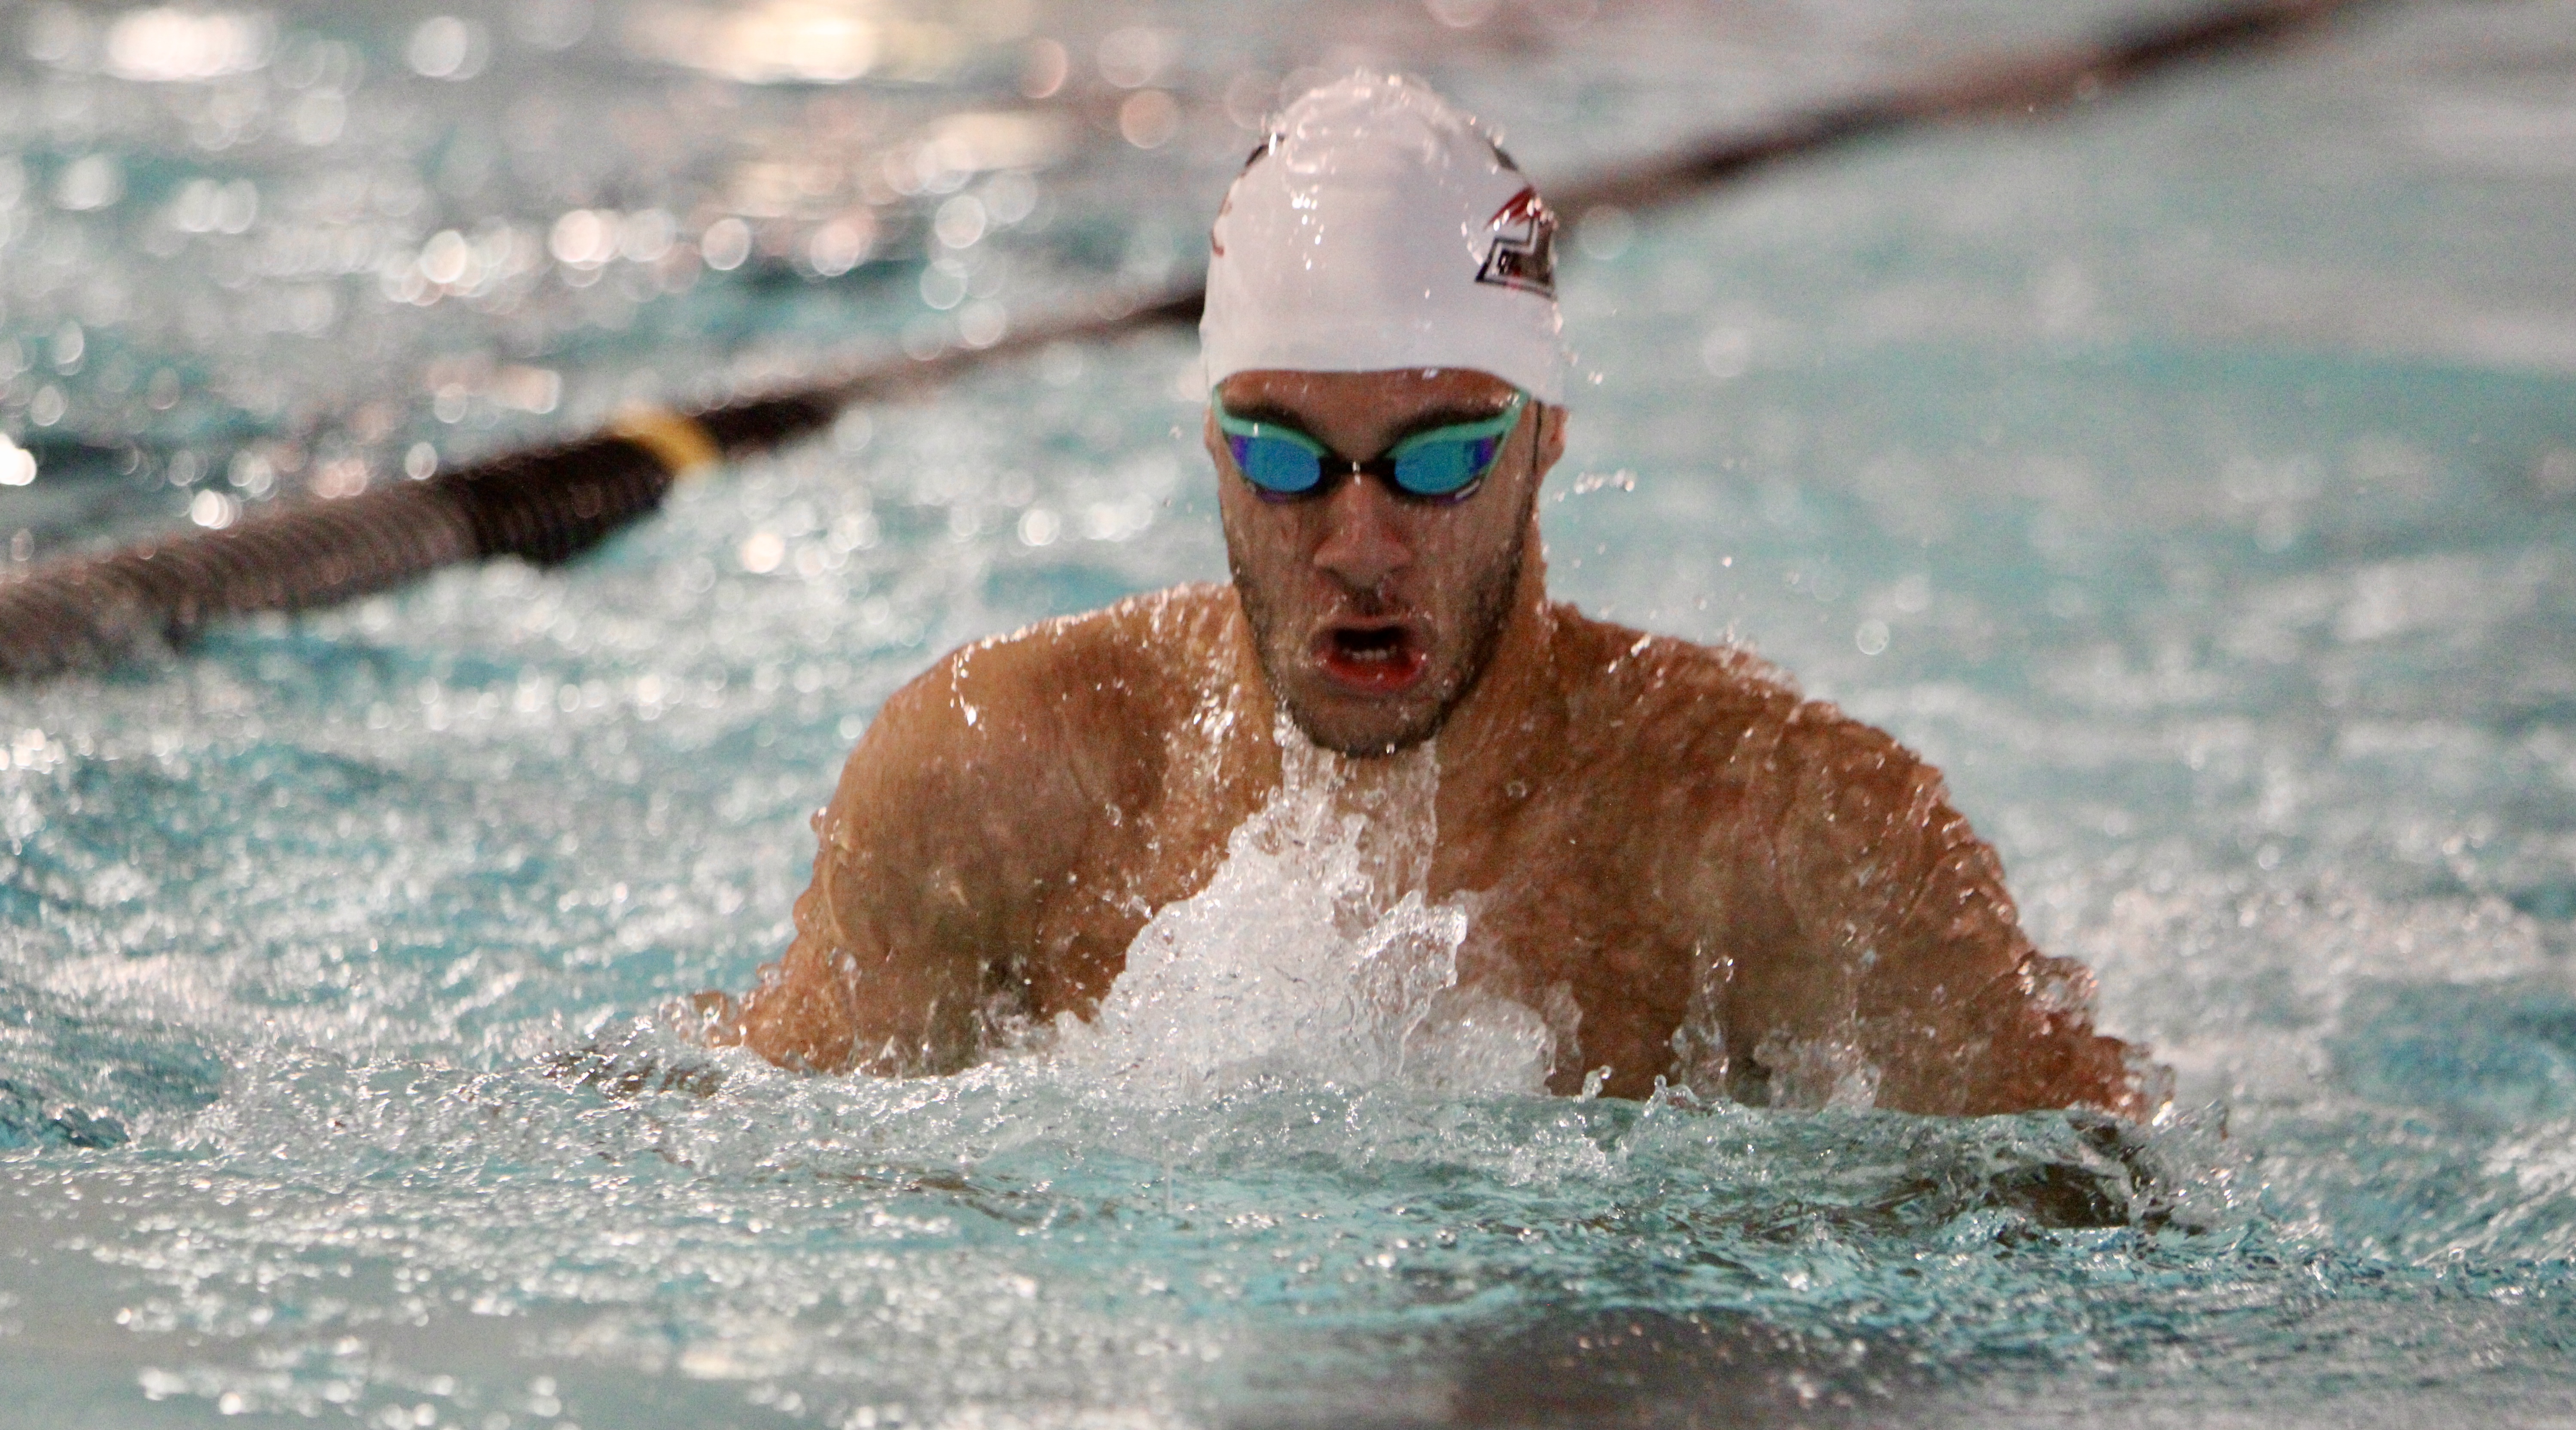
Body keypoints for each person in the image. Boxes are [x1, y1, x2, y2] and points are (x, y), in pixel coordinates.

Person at [707, 72, 2156, 1117]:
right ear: (1212, 443)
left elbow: (2092, 1224)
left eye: (1441, 456)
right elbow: (757, 1163)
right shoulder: (996, 780)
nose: (1357, 541)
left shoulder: (1789, 839)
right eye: (1284, 457)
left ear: (1550, 437)